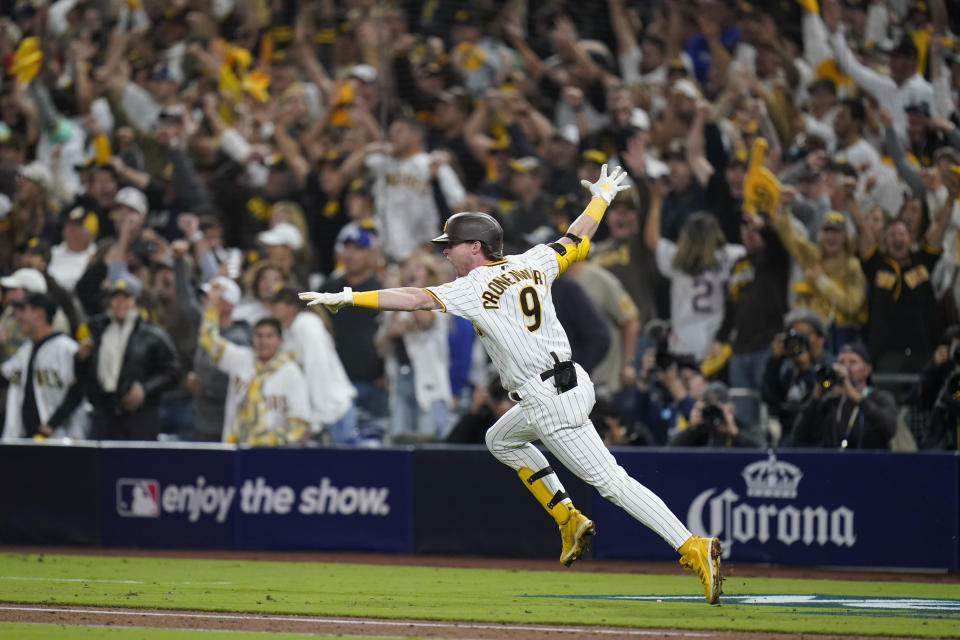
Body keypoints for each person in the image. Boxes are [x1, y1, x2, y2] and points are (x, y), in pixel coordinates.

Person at [301, 165, 723, 604]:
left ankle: (690, 545)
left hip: (547, 400)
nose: (445, 253)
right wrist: (601, 198)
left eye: (451, 246)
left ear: (476, 247)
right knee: (499, 439)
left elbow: (414, 298)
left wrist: (351, 297)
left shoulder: (471, 286)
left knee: (612, 483)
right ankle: (568, 518)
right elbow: (577, 238)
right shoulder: (534, 260)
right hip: (573, 381)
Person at [200, 282, 311, 446]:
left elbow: (299, 421)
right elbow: (209, 342)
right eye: (259, 336)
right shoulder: (241, 359)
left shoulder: (291, 371)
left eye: (269, 336)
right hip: (236, 446)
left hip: (272, 452)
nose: (263, 341)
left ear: (280, 341)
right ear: (253, 339)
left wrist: (266, 442)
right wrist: (211, 308)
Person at [80, 275, 180, 440]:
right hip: (105, 411)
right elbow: (86, 373)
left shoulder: (152, 334)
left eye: (126, 298)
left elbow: (173, 371)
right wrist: (81, 359)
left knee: (139, 462)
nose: (120, 303)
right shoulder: (98, 331)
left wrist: (145, 389)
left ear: (135, 302)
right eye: (115, 298)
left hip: (140, 413)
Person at [269, 287, 358, 445]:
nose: (273, 307)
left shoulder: (307, 327)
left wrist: (315, 423)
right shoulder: (289, 331)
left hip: (334, 412)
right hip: (319, 415)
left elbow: (317, 372)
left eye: (278, 302)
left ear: (292, 306)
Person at [0, 292, 88, 440]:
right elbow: (3, 379)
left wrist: (52, 424)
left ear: (39, 314)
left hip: (61, 439)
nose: (18, 317)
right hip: (25, 439)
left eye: (24, 311)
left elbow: (79, 390)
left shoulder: (67, 348)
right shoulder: (24, 352)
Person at [790, 342, 898, 449]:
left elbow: (889, 428)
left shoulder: (879, 397)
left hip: (870, 462)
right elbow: (798, 436)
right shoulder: (830, 401)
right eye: (841, 362)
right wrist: (816, 396)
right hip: (834, 462)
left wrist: (858, 399)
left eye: (853, 362)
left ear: (867, 370)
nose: (846, 366)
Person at [668, 381, 762, 448]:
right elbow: (669, 452)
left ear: (732, 409)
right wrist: (691, 429)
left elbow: (764, 451)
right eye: (710, 410)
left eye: (719, 410)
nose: (715, 414)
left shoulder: (742, 427)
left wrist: (735, 433)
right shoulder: (699, 431)